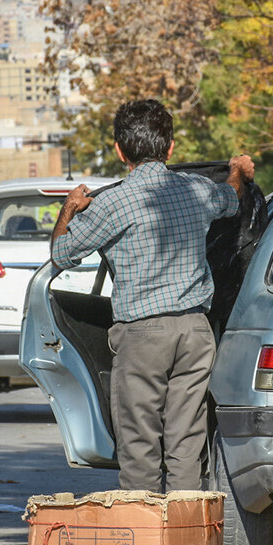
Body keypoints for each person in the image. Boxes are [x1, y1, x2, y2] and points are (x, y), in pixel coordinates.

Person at [50, 99, 254, 492]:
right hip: (195, 333)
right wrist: (237, 171)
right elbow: (232, 198)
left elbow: (61, 254)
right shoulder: (197, 191)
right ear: (171, 147)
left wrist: (69, 210)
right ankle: (185, 543)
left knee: (140, 449)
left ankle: (146, 544)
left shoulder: (111, 204)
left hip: (142, 336)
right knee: (186, 444)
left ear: (119, 151)